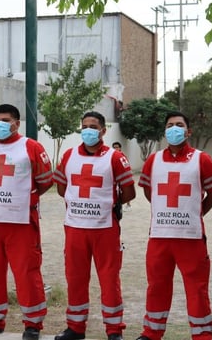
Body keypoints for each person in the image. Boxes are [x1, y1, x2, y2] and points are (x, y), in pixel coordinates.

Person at [0, 104, 53, 340]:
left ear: (17, 123)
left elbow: (45, 181)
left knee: (27, 272)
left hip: (21, 221)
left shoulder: (30, 147)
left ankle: (33, 324)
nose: (0, 124)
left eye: (6, 120)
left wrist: (25, 199)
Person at [135, 111, 212, 340]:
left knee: (197, 290)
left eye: (179, 125)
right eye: (170, 125)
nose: (174, 128)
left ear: (188, 131)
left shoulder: (201, 159)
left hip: (191, 237)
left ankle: (202, 335)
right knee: (157, 286)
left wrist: (195, 212)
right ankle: (151, 332)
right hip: (160, 236)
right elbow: (148, 190)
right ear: (165, 131)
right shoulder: (153, 160)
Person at [53, 111, 136, 340]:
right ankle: (75, 328)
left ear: (103, 131)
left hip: (105, 229)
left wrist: (109, 205)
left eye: (93, 126)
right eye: (84, 126)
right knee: (75, 278)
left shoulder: (114, 157)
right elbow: (62, 187)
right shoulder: (69, 155)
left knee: (109, 280)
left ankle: (114, 331)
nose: (88, 130)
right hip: (75, 227)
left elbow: (129, 191)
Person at [112, 142, 132, 211]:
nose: (115, 148)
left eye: (117, 147)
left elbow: (126, 167)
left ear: (120, 148)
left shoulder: (122, 156)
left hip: (122, 177)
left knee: (125, 190)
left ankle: (128, 204)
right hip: (115, 177)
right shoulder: (112, 156)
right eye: (114, 147)